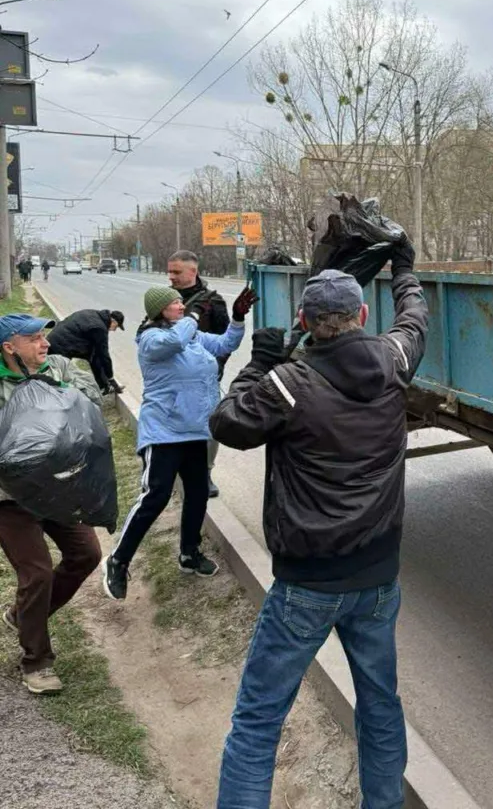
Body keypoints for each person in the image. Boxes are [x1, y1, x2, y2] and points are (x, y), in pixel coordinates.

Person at [210, 241, 427, 809]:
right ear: (363, 315)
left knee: (259, 719)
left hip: (305, 586)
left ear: (304, 322)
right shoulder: (394, 359)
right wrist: (404, 269)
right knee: (381, 706)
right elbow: (414, 317)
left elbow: (226, 423)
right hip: (378, 582)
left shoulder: (286, 384)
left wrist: (258, 362)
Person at [102, 283, 255, 601]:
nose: (182, 306)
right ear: (159, 310)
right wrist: (194, 317)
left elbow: (226, 343)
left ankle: (189, 554)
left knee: (198, 494)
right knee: (155, 497)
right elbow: (174, 341)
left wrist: (238, 317)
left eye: (182, 303)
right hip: (165, 432)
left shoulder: (192, 336)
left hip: (196, 431)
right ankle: (118, 560)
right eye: (175, 303)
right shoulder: (151, 338)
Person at [0, 314, 103, 694]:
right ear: (9, 347)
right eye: (33, 339)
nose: (44, 344)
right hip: (9, 498)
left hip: (57, 490)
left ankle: (23, 616)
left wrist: (61, 394)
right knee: (37, 574)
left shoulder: (58, 366)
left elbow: (92, 401)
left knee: (87, 554)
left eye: (44, 336)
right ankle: (37, 663)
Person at [168, 250, 231, 499]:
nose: (171, 276)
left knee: (209, 427)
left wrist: (215, 367)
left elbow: (225, 340)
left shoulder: (212, 302)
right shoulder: (165, 299)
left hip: (204, 379)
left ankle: (205, 472)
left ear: (193, 271)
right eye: (170, 271)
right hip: (171, 377)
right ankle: (173, 469)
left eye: (176, 272)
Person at [47, 309, 126, 395]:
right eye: (116, 327)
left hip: (54, 338)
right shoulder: (100, 328)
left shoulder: (93, 313)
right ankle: (55, 394)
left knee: (94, 356)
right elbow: (104, 355)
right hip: (60, 345)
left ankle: (104, 386)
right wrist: (111, 377)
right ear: (113, 321)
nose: (114, 330)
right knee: (58, 374)